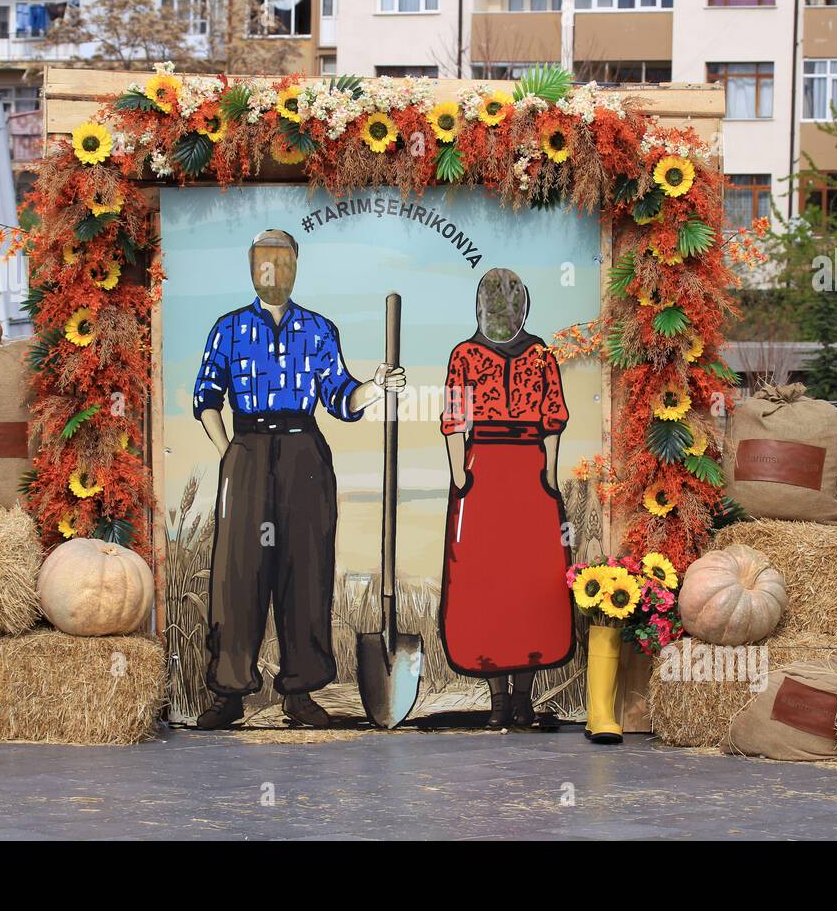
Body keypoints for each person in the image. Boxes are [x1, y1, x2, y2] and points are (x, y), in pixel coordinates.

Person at [193, 229, 406, 729]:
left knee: (306, 569)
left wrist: (375, 387)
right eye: (263, 262)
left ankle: (301, 691)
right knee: (236, 575)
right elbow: (207, 398)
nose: (272, 271)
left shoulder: (318, 330)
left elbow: (339, 397)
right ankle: (229, 692)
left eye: (282, 262)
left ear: (295, 267)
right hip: (246, 450)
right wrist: (231, 456)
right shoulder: (228, 329)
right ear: (252, 269)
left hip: (303, 452)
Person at [438, 267, 575, 729]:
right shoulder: (464, 355)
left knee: (531, 582)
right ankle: (497, 701)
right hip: (484, 472)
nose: (503, 314)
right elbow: (455, 418)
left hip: (529, 473)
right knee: (485, 582)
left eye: (510, 306)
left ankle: (523, 699)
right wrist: (460, 473)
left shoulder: (541, 355)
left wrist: (549, 474)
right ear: (480, 309)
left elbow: (553, 417)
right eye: (494, 306)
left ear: (523, 308)